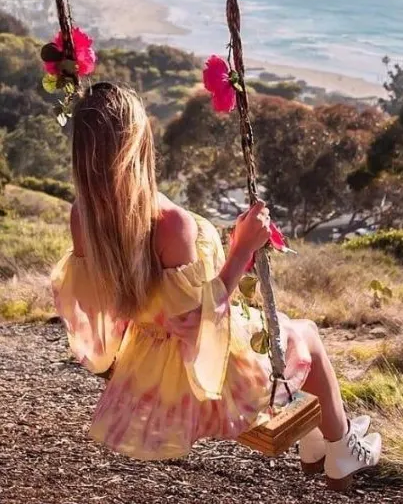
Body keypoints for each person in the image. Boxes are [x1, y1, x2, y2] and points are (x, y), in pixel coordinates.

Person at [51, 82, 381, 491]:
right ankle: (343, 448)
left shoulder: (82, 215)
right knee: (308, 337)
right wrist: (241, 250)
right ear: (137, 143)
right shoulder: (169, 223)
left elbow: (96, 300)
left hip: (146, 354)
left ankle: (317, 442)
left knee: (285, 330)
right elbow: (196, 322)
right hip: (198, 374)